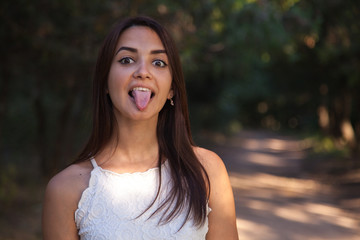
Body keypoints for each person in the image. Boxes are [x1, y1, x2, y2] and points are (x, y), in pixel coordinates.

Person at [42, 16, 238, 240]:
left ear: (172, 89)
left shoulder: (206, 170)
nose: (143, 72)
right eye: (126, 60)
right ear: (105, 82)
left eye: (158, 63)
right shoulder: (65, 190)